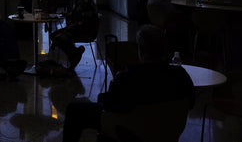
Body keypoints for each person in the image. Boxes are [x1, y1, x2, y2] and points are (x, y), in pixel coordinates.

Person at [61, 24, 194, 142]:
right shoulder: (180, 75)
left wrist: (104, 94)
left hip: (131, 132)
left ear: (140, 51)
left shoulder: (128, 78)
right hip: (167, 132)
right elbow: (191, 103)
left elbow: (110, 106)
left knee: (75, 110)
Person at [50, 0, 98, 69]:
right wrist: (69, 15)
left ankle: (74, 53)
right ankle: (74, 53)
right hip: (81, 28)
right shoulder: (83, 0)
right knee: (54, 36)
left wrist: (69, 24)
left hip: (84, 30)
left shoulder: (83, 3)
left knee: (57, 38)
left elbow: (82, 20)